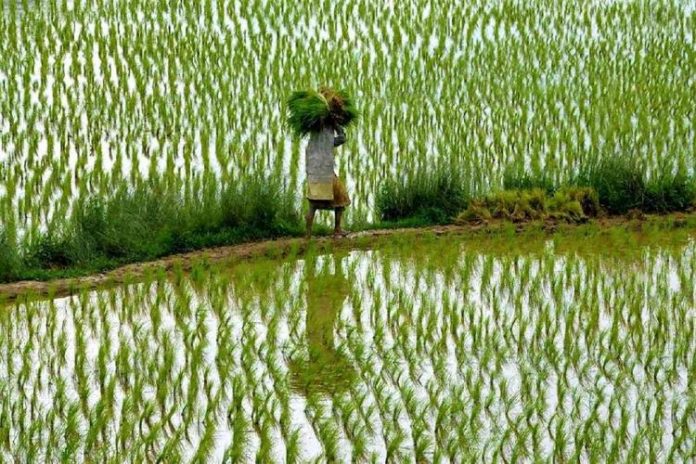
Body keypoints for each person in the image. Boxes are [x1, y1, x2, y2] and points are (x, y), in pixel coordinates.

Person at [305, 123, 351, 238]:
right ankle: (337, 229)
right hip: (326, 175)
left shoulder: (311, 143)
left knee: (313, 205)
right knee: (341, 198)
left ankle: (308, 234)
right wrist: (335, 124)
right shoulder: (326, 142)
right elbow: (342, 138)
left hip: (314, 176)